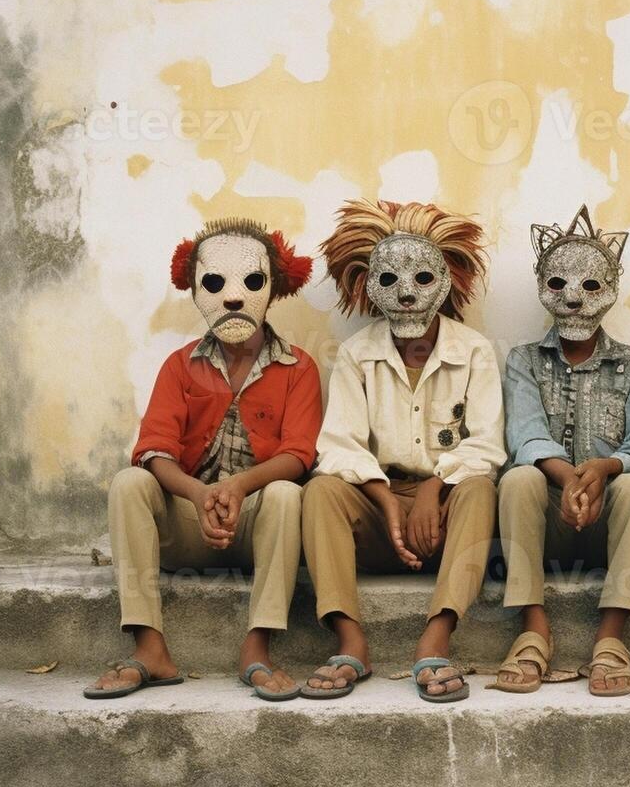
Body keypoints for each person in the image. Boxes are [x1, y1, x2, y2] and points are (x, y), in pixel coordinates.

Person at [85, 218, 319, 701]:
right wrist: (200, 492)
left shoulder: (300, 367)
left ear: (273, 288)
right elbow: (151, 450)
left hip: (258, 529)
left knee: (284, 492)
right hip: (189, 526)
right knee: (129, 481)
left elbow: (300, 454)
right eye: (215, 283)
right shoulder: (179, 365)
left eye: (251, 282)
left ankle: (257, 646)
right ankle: (150, 648)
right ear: (194, 289)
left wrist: (238, 487)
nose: (233, 297)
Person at [302, 199, 504, 702]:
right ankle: (351, 640)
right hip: (378, 511)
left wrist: (436, 486)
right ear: (368, 286)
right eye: (390, 280)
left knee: (479, 488)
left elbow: (487, 445)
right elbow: (338, 446)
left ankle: (436, 637)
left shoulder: (474, 350)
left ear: (446, 280)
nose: (408, 295)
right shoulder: (355, 353)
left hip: (447, 514)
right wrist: (388, 501)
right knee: (321, 490)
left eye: (422, 278)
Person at [495, 206, 630, 697]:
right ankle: (533, 628)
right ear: (542, 285)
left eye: (590, 286)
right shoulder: (522, 359)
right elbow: (523, 436)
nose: (572, 298)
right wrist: (567, 479)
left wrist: (607, 468)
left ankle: (611, 638)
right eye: (559, 284)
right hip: (546, 518)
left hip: (607, 521)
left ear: (611, 290)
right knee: (519, 476)